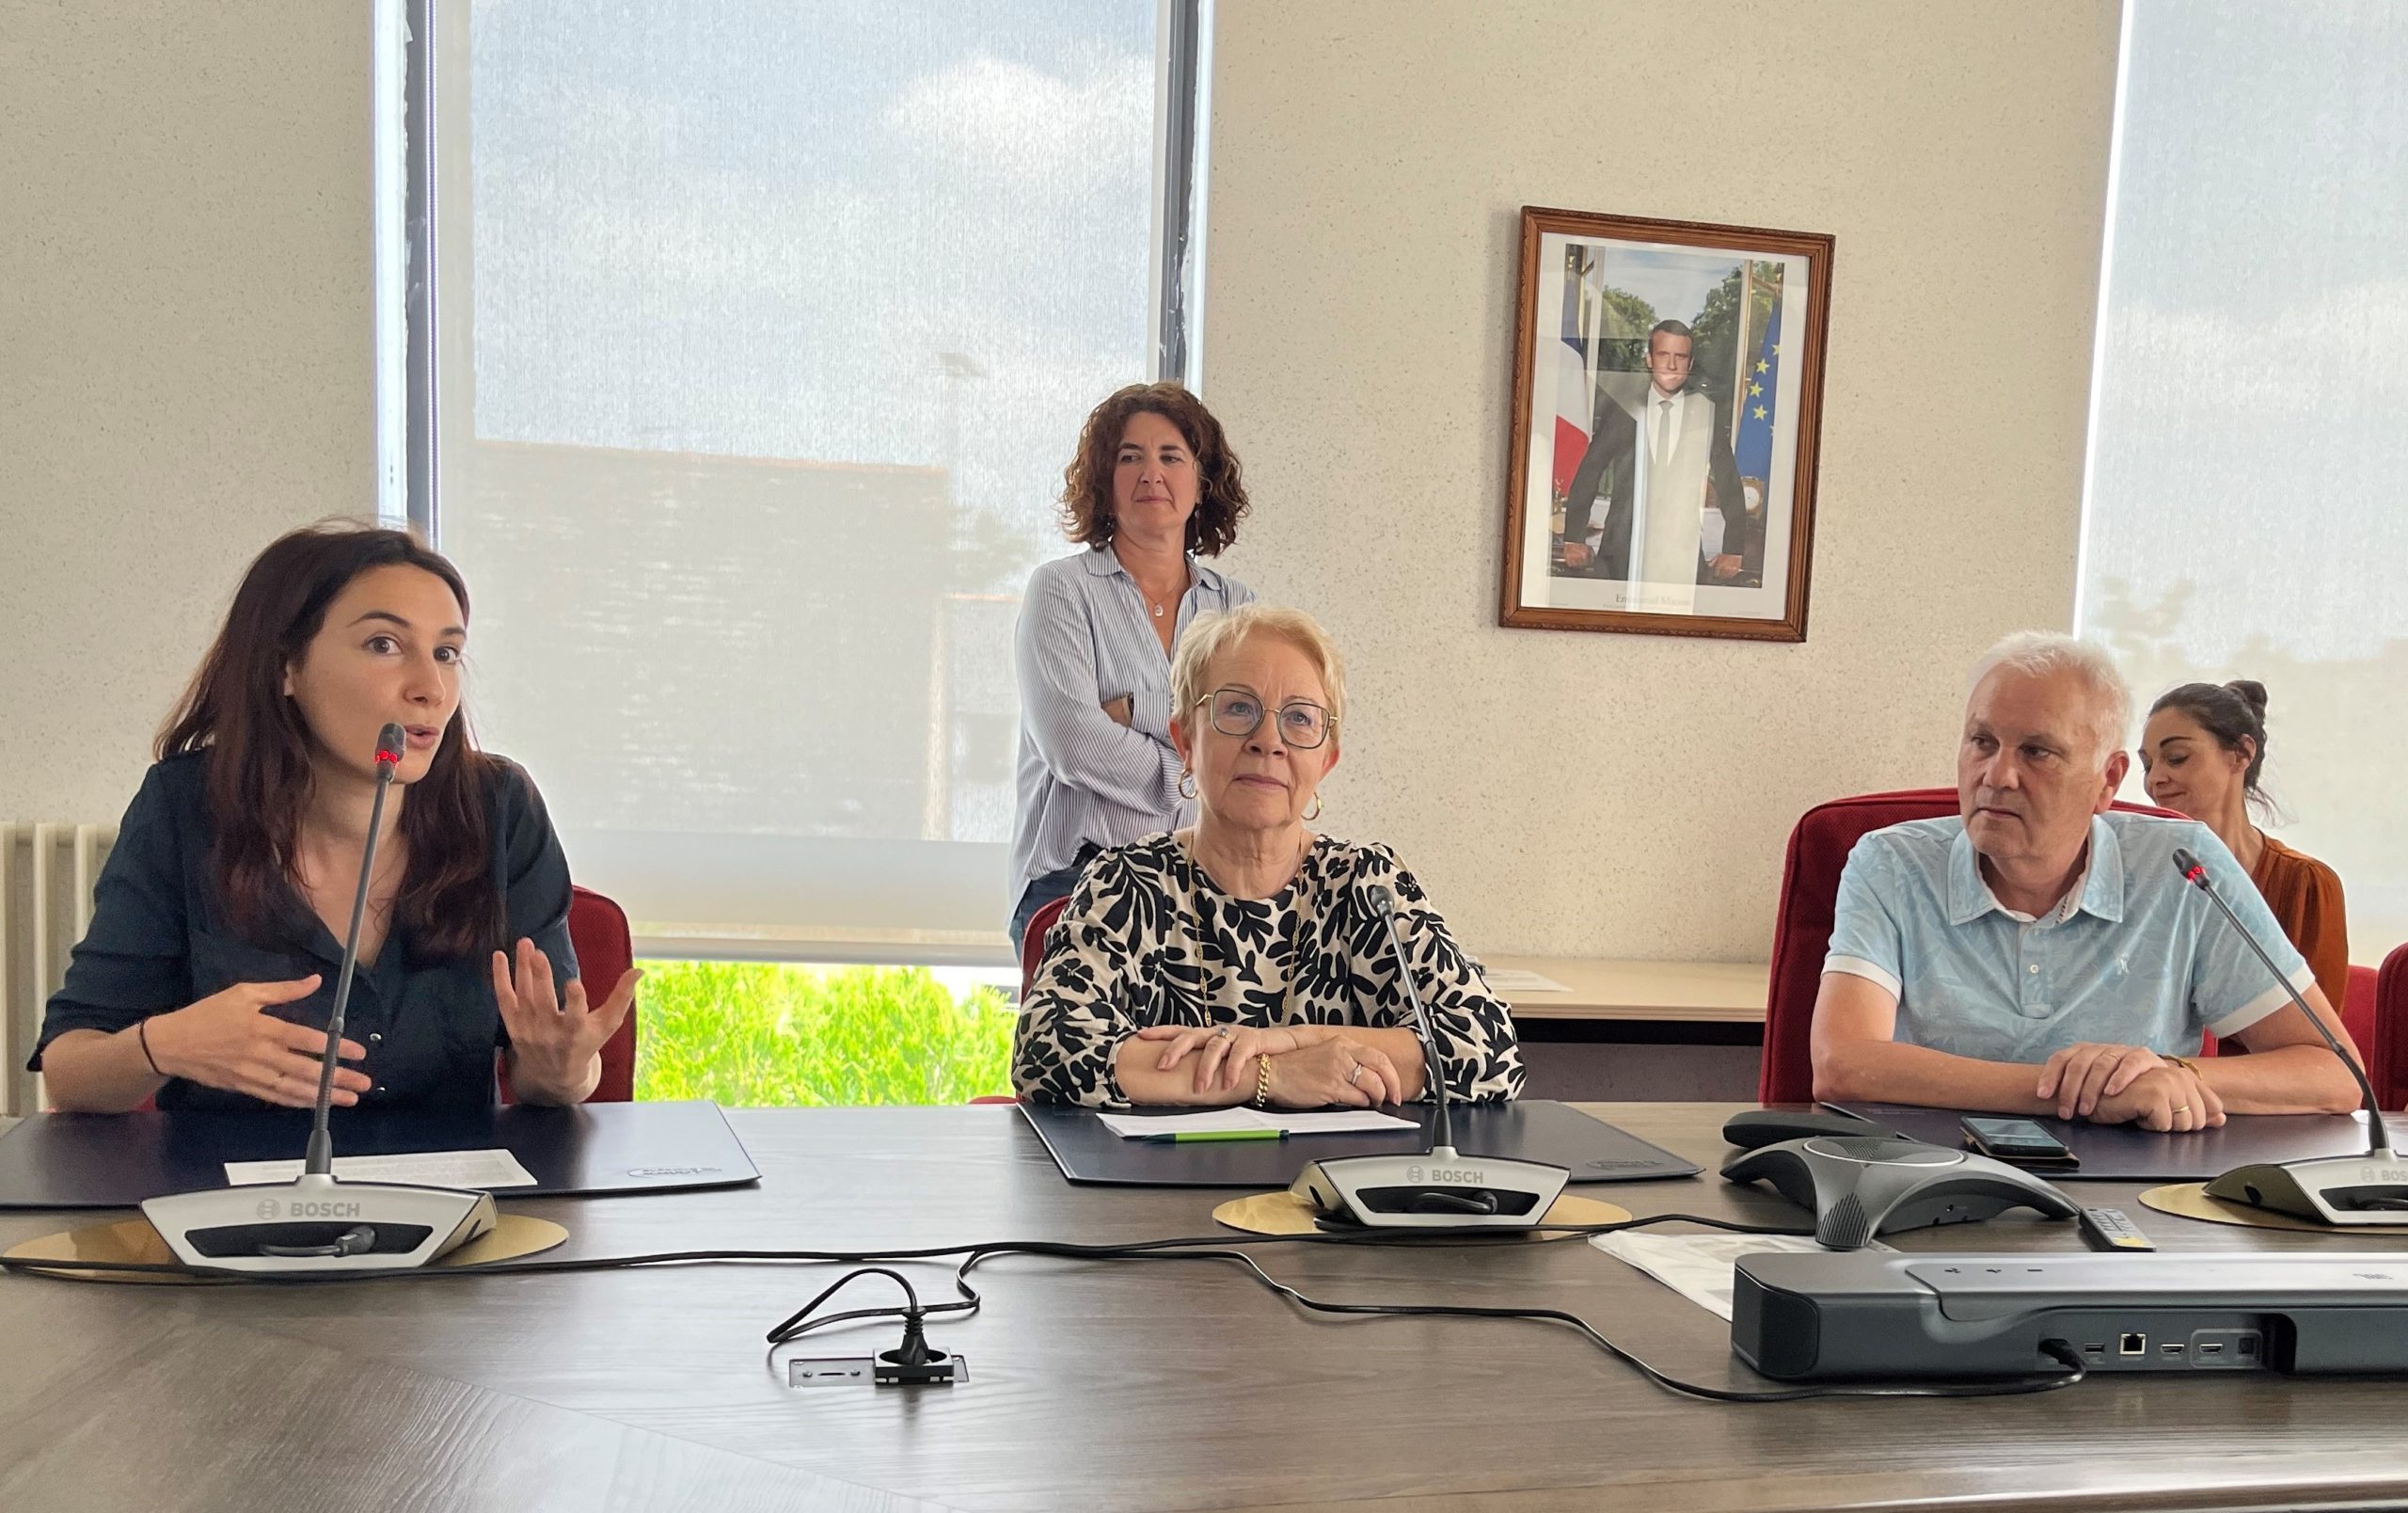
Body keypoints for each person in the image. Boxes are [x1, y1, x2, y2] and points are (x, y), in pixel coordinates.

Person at [31, 524, 639, 1113]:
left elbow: (552, 1070)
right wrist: (166, 1044)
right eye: (384, 645)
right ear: (286, 668)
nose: (431, 688)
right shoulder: (184, 806)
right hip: (234, 1181)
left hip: (451, 1183)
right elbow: (71, 1074)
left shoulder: (500, 808)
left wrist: (562, 1071)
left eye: (447, 653)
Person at [1810, 632, 2360, 1130]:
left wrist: (2167, 1074)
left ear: (2108, 780)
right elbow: (1842, 1063)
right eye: (1982, 741)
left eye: (2036, 751)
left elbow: (2335, 1075)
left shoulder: (2182, 865)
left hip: (2131, 1187)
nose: (1997, 776)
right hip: (1932, 1173)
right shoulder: (1891, 862)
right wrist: (2086, 1090)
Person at [1012, 605, 1525, 1109]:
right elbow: (1047, 1047)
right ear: (1185, 741)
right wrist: (1270, 1075)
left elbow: (1486, 1047)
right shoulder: (1126, 883)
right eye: (1238, 708)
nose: (1267, 741)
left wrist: (1299, 1043)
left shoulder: (1368, 885)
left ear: (1326, 760)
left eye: (1299, 718)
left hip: (1338, 1169)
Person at [1007, 382, 1254, 949]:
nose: (1151, 474)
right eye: (1129, 457)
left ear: (1202, 481)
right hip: (1077, 879)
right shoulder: (1061, 590)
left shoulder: (1236, 608)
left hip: (1203, 885)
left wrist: (1137, 709)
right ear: (1105, 480)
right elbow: (1073, 745)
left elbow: (1247, 738)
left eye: (1171, 456)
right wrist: (1194, 772)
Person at [2141, 680, 2349, 1012]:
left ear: (2241, 754)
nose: (2154, 779)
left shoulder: (2305, 886)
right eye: (2148, 765)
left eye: (2176, 758)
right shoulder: (2138, 878)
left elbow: (2315, 1036)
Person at [1558, 319, 1745, 591]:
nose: (1672, 365)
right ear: (1649, 359)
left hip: (1681, 560)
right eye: (1663, 354)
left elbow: (1729, 483)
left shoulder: (1704, 414)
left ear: (1690, 363)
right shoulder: (1625, 410)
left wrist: (1734, 549)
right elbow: (1590, 470)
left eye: (1680, 356)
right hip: (1619, 558)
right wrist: (1574, 538)